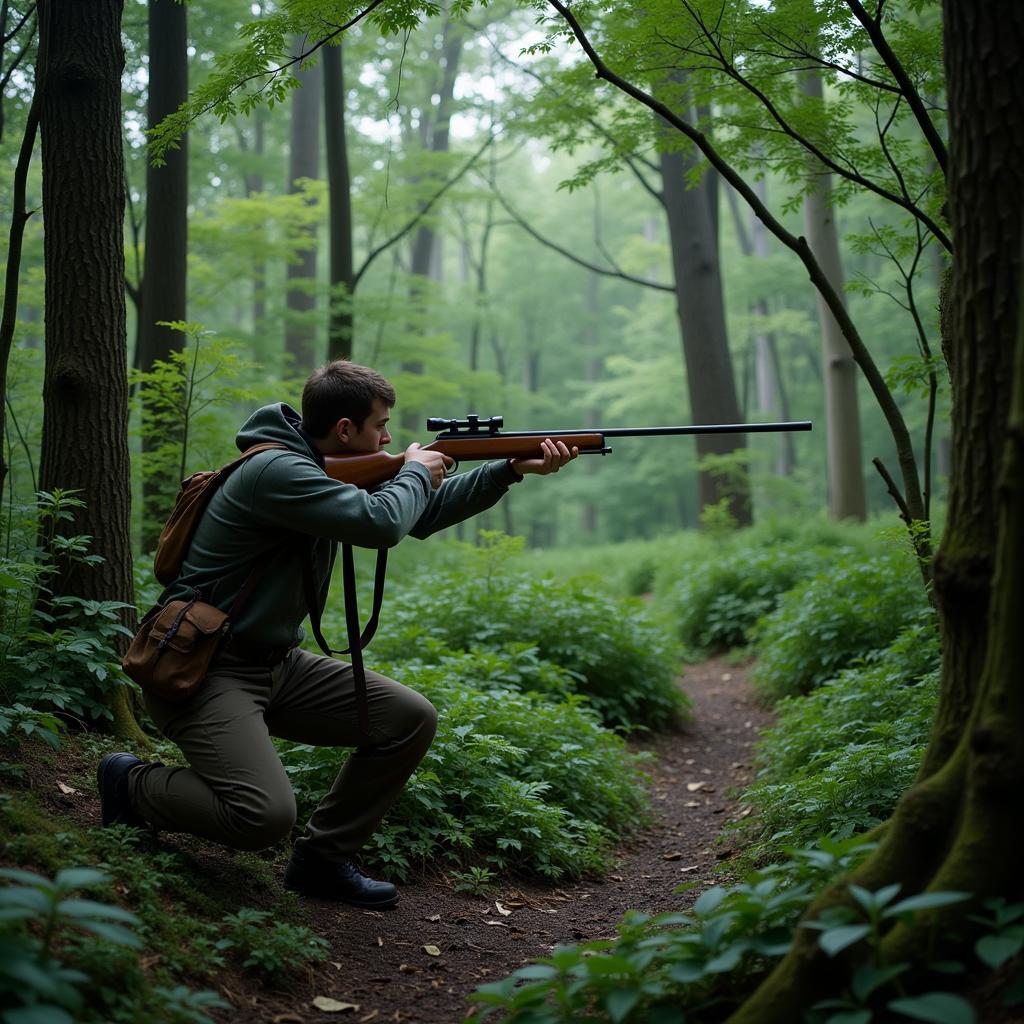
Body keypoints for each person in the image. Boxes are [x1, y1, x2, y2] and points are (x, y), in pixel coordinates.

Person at [96, 361, 576, 909]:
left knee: (407, 719)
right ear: (346, 429)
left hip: (275, 665)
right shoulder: (276, 471)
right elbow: (382, 524)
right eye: (381, 425)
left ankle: (321, 862)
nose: (391, 437)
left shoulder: (315, 467)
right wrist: (416, 469)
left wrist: (507, 468)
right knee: (262, 816)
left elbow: (417, 515)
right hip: (205, 670)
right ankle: (131, 786)